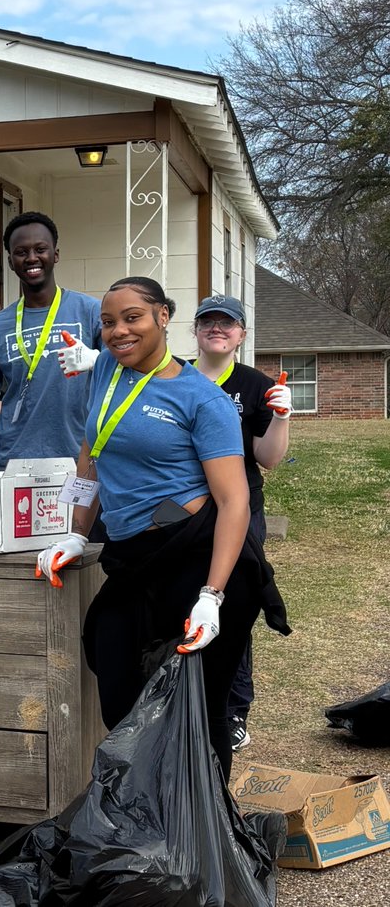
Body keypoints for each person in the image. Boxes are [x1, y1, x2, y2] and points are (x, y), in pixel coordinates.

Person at [35, 276, 287, 778]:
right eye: (108, 322)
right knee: (118, 682)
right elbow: (92, 450)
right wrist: (76, 532)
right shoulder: (107, 368)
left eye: (133, 318)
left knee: (202, 704)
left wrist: (211, 596)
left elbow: (235, 501)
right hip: (133, 555)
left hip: (197, 556)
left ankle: (203, 828)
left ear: (163, 318)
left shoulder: (201, 399)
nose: (118, 331)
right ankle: (142, 813)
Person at [191, 294, 293, 751]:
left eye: (227, 323)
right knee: (181, 602)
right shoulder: (173, 377)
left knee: (233, 608)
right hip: (184, 510)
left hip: (240, 507)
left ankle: (233, 712)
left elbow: (268, 458)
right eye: (207, 321)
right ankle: (184, 704)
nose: (217, 329)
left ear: (241, 335)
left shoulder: (254, 385)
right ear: (194, 330)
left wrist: (282, 417)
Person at [0, 212, 102, 469]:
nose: (32, 258)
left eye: (40, 249)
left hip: (80, 462)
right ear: (10, 261)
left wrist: (99, 360)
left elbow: (128, 373)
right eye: (21, 252)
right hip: (15, 466)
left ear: (56, 254)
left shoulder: (90, 312)